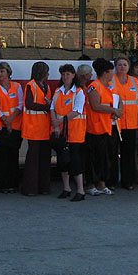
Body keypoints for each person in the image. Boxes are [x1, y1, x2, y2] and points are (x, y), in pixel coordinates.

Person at [51, 63, 87, 201]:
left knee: (75, 161)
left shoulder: (79, 92)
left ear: (73, 75)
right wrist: (55, 123)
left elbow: (77, 110)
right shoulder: (58, 91)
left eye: (68, 74)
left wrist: (59, 121)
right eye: (63, 74)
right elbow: (52, 107)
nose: (65, 77)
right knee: (62, 161)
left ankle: (80, 190)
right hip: (61, 133)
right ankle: (66, 188)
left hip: (75, 132)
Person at [86, 57, 121, 195]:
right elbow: (95, 106)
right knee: (95, 158)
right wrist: (113, 110)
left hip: (109, 127)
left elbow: (119, 100)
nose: (113, 74)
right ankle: (91, 185)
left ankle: (102, 183)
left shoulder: (110, 87)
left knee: (106, 157)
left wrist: (119, 111)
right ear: (105, 73)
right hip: (96, 128)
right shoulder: (94, 87)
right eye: (111, 72)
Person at [21, 61, 53, 196]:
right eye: (46, 71)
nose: (48, 74)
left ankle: (43, 187)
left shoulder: (46, 86)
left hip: (45, 129)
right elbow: (29, 104)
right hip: (33, 128)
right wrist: (46, 107)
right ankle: (30, 189)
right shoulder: (31, 85)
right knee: (33, 161)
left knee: (45, 159)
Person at [0, 61, 23, 193]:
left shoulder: (17, 86)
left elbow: (20, 104)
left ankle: (13, 184)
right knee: (2, 157)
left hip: (15, 125)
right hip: (1, 127)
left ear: (8, 73)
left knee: (13, 156)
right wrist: (5, 120)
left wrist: (10, 120)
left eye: (2, 71)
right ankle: (3, 184)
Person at [113, 55, 138, 190]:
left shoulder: (135, 81)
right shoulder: (111, 80)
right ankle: (111, 181)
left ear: (129, 67)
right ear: (115, 66)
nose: (122, 67)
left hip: (131, 123)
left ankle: (128, 181)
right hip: (115, 123)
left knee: (129, 154)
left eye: (125, 65)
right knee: (112, 153)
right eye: (119, 64)